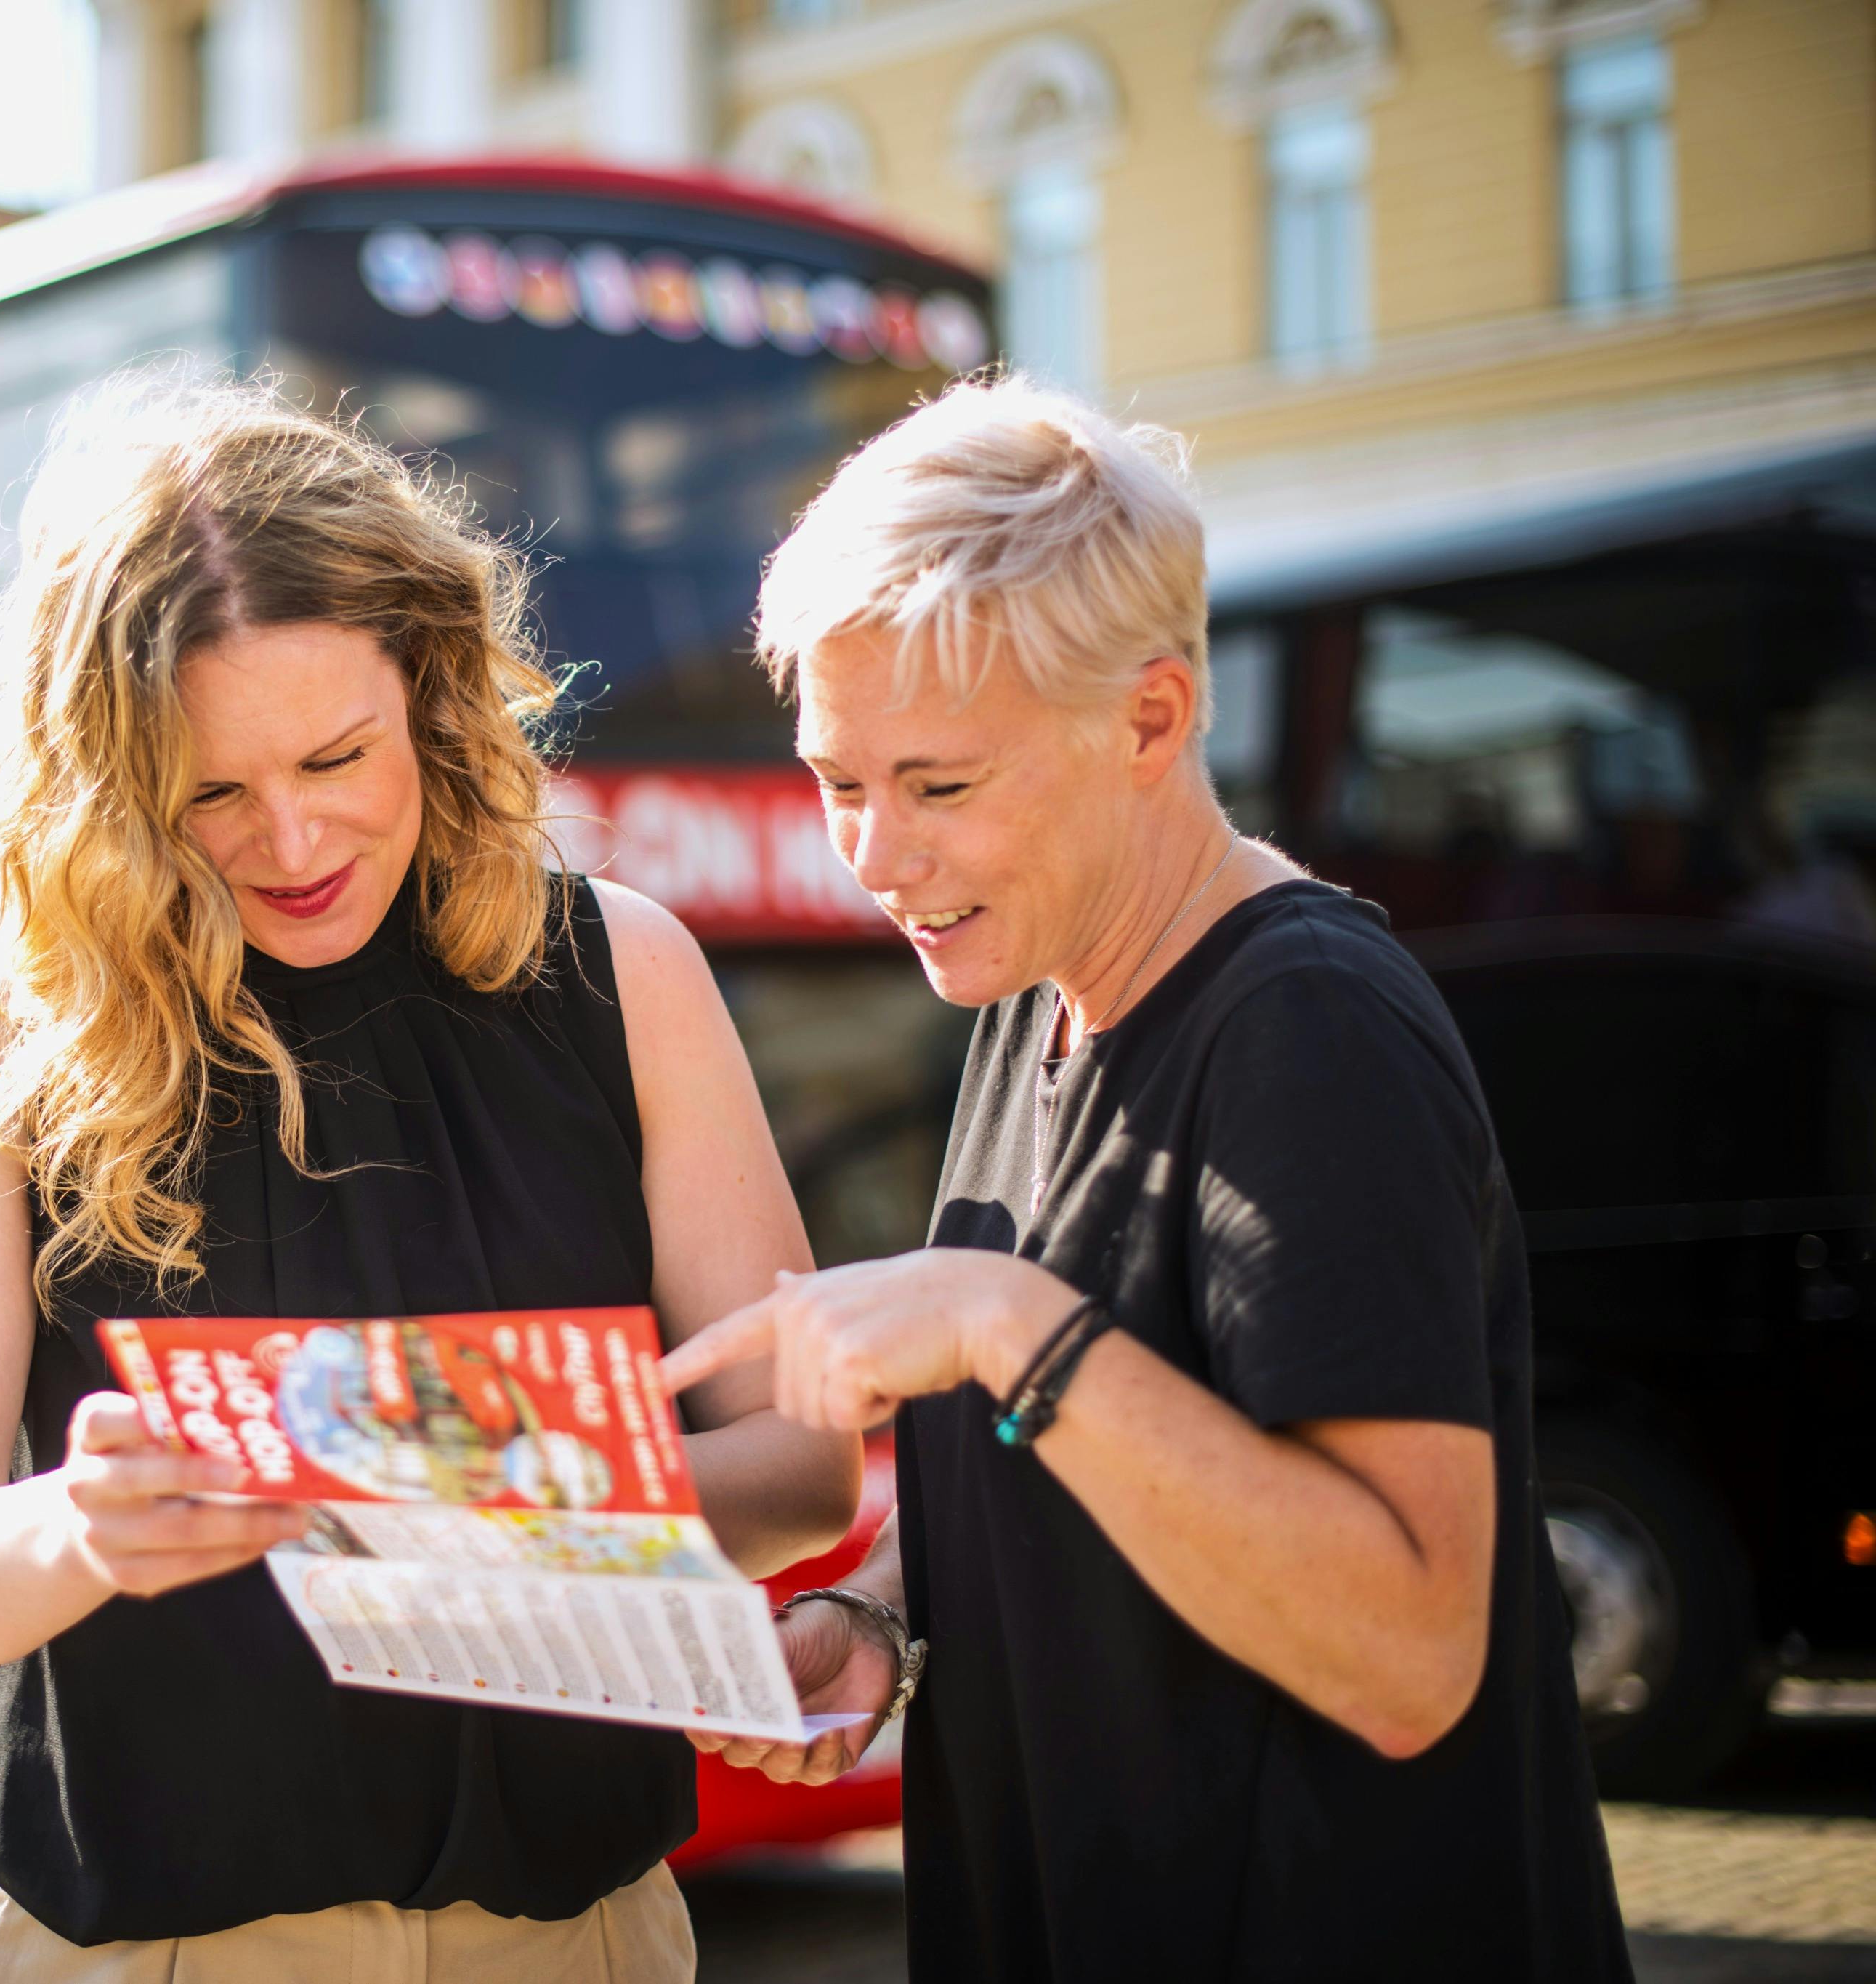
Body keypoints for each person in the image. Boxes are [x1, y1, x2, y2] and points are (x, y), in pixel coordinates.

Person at [0, 375, 862, 1982]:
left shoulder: (625, 973)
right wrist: (81, 1535)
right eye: (211, 794)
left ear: (434, 693)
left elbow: (803, 1469)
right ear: (108, 789)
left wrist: (483, 1504)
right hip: (134, 1952)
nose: (294, 839)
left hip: (567, 1940)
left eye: (337, 755)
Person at [661, 375, 1635, 1981]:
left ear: (1149, 720)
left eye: (938, 784)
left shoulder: (1303, 1026)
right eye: (839, 781)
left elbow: (1402, 1646)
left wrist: (1007, 1327)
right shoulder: (1031, 988)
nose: (872, 858)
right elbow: (1086, 1474)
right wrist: (884, 1623)